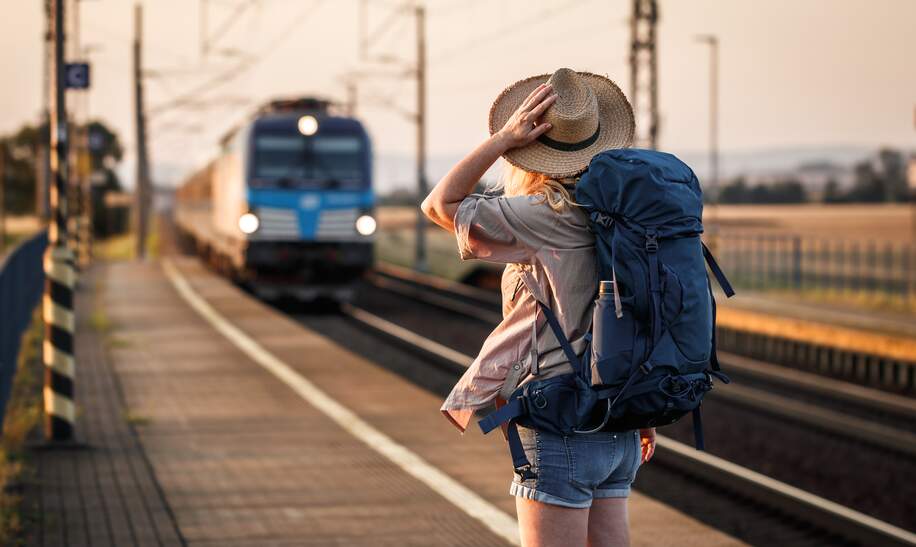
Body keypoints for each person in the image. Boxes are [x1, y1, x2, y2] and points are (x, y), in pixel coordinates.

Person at [421, 68, 657, 547]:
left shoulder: (545, 215)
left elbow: (439, 204)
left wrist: (501, 140)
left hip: (562, 424)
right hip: (623, 426)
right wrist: (644, 414)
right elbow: (634, 310)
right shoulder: (627, 216)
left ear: (531, 152)